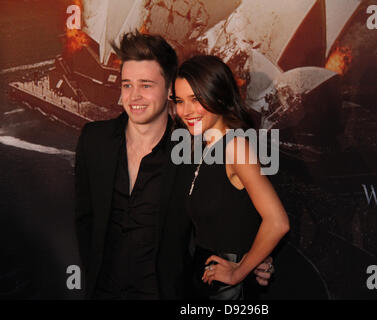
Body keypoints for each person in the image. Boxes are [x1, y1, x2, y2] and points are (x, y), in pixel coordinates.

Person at [74, 31, 273, 300]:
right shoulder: (93, 140)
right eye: (127, 84)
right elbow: (84, 219)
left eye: (146, 85)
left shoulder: (197, 149)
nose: (134, 97)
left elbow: (232, 214)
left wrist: (254, 260)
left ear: (170, 88)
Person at [171, 55, 289, 300]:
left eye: (196, 99)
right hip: (204, 277)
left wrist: (239, 272)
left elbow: (277, 222)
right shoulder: (200, 145)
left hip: (227, 288)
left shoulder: (235, 147)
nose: (186, 111)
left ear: (219, 96)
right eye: (180, 101)